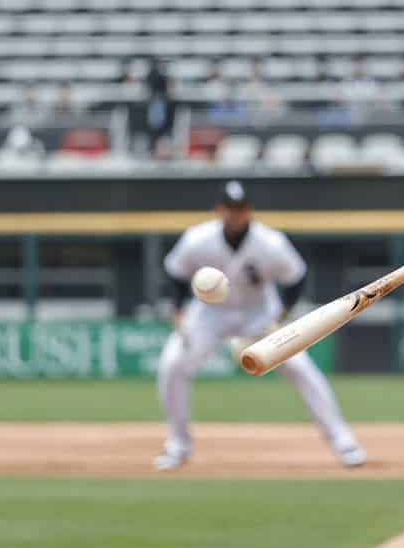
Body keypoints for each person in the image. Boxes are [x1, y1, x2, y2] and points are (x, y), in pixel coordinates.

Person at [155, 180, 366, 471]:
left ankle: (344, 442)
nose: (235, 214)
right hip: (208, 315)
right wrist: (178, 310)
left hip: (259, 314)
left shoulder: (270, 243)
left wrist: (279, 317)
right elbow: (176, 273)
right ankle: (178, 447)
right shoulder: (197, 239)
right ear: (220, 209)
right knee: (172, 364)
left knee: (300, 368)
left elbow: (296, 278)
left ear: (249, 210)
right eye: (230, 208)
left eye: (240, 208)